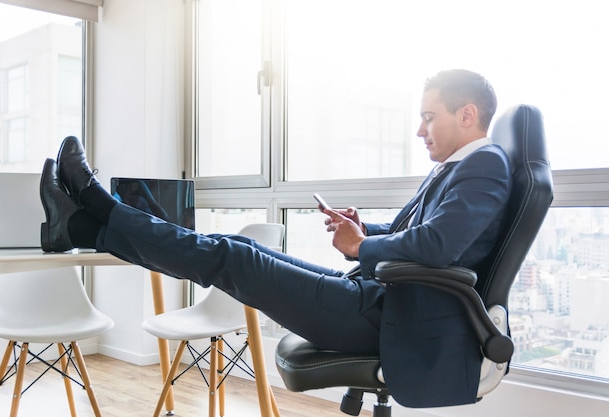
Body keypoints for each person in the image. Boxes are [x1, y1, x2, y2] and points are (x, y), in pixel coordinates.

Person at [39, 69, 511, 408]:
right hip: (379, 297)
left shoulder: (484, 166)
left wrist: (361, 247)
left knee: (231, 259)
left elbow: (439, 249)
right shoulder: (463, 167)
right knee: (243, 249)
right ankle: (81, 227)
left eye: (429, 117)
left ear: (467, 114)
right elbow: (427, 235)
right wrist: (368, 231)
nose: (419, 129)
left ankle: (96, 212)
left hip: (390, 315)